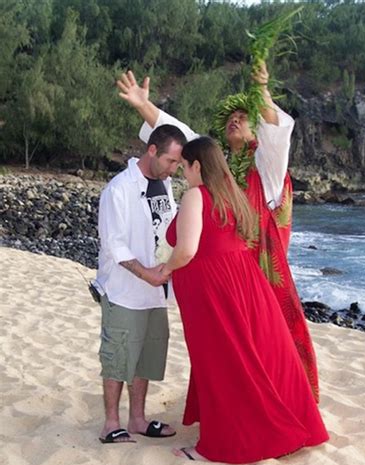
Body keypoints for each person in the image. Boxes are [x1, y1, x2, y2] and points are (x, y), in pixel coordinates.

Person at [117, 67, 320, 402]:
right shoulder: (218, 169)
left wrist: (262, 89)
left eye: (244, 116)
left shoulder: (266, 169)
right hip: (225, 279)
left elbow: (276, 134)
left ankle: (278, 402)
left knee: (268, 346)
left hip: (259, 275)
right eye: (231, 118)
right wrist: (144, 106)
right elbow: (185, 138)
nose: (235, 121)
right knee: (231, 348)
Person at [158, 136, 329, 463]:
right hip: (244, 280)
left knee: (222, 360)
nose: (183, 173)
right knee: (257, 351)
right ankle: (282, 421)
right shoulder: (232, 195)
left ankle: (226, 441)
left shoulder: (196, 195)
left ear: (197, 165)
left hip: (211, 287)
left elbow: (187, 249)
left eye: (184, 167)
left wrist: (164, 269)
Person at [94, 124, 186, 443]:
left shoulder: (166, 184)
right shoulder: (118, 189)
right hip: (125, 290)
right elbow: (114, 244)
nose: (174, 168)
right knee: (118, 356)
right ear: (151, 151)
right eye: (171, 161)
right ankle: (110, 423)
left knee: (146, 356)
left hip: (157, 292)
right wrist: (148, 274)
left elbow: (167, 230)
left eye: (178, 163)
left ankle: (137, 419)